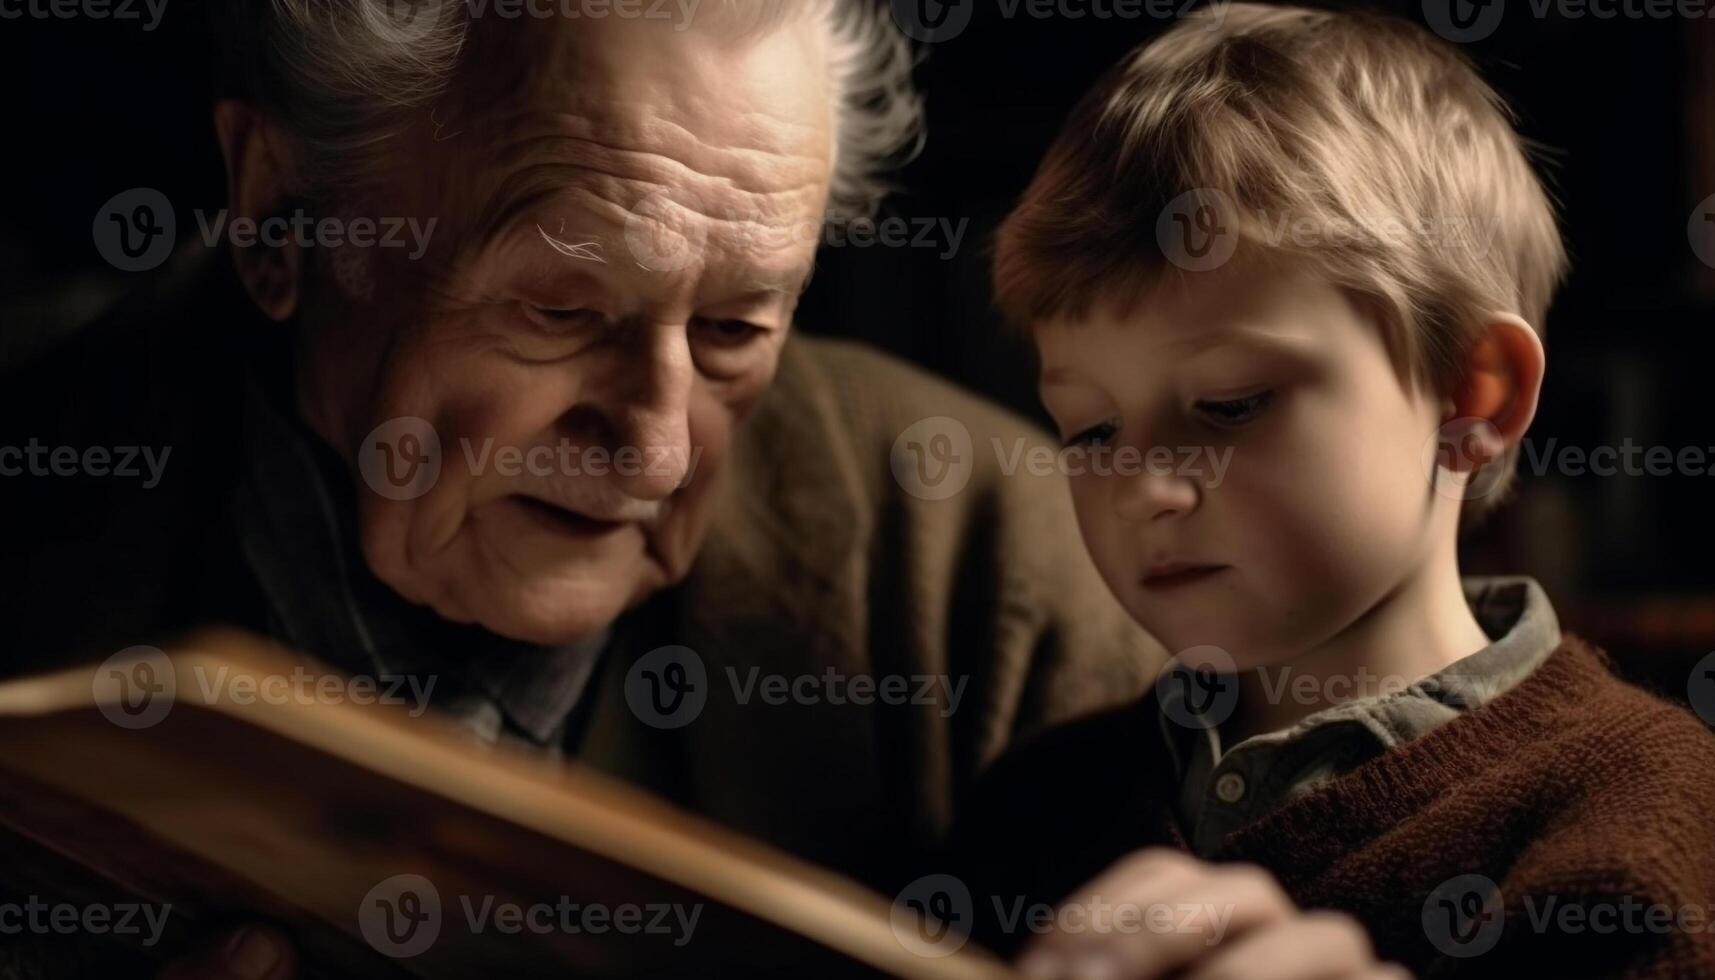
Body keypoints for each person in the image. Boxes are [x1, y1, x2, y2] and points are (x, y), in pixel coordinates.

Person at [0, 2, 1169, 975]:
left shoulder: (996, 554)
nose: (656, 451)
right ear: (275, 218)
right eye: (559, 311)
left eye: (733, 328)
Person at [944, 5, 1715, 979]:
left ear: (1472, 395)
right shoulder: (1031, 808)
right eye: (1091, 428)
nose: (1141, 486)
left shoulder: (1637, 836)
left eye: (1228, 405)